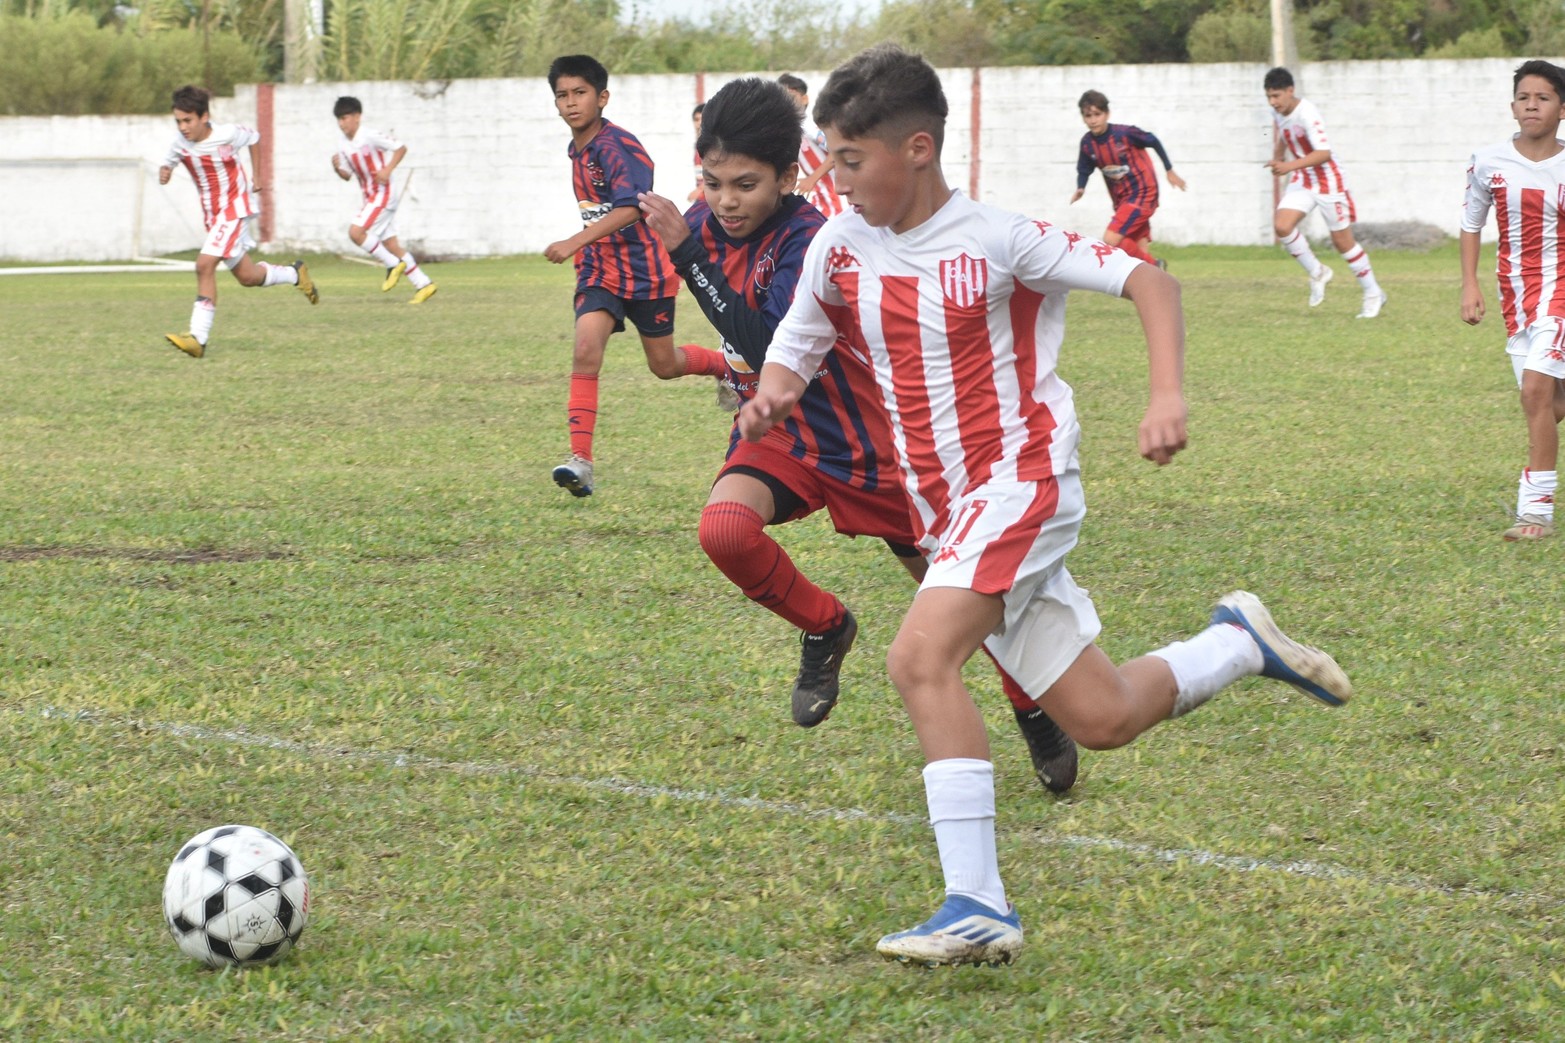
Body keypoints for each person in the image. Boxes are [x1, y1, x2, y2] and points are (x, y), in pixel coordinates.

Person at [742, 43, 1353, 968]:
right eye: (830, 157)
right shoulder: (839, 245)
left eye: (851, 159)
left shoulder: (1000, 239)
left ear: (916, 148)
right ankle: (1238, 642)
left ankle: (976, 903)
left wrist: (1165, 394)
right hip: (948, 515)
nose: (838, 178)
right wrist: (772, 395)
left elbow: (1150, 281)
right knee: (1101, 717)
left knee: (917, 656)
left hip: (1020, 483)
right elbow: (798, 345)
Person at [638, 76, 1080, 793]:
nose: (725, 201)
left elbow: (767, 340)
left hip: (874, 447)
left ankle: (1031, 705)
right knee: (724, 531)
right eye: (713, 183)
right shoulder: (705, 221)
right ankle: (825, 625)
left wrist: (687, 255)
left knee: (963, 602)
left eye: (745, 185)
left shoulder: (811, 240)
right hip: (783, 437)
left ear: (788, 178)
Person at [543, 54, 729, 498]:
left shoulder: (619, 146)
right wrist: (586, 247)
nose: (571, 103)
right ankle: (580, 461)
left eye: (580, 93)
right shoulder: (577, 148)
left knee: (664, 366)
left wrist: (575, 240)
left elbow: (631, 208)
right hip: (599, 269)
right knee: (585, 349)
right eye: (563, 95)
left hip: (646, 269)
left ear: (602, 97)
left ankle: (729, 365)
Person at [1460, 59, 1565, 542]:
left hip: (1561, 292)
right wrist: (1470, 284)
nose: (1532, 105)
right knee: (1545, 403)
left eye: (1543, 97)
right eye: (1524, 97)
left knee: (1534, 394)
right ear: (1512, 106)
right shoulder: (1488, 162)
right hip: (1516, 297)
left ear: (1562, 109)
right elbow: (1471, 224)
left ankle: (1535, 511)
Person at [158, 85, 317, 358]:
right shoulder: (180, 144)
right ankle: (295, 274)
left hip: (234, 209)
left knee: (204, 265)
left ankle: (198, 338)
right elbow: (168, 163)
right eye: (178, 121)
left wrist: (257, 175)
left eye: (188, 120)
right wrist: (165, 172)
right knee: (248, 276)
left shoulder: (227, 134)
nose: (183, 127)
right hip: (214, 217)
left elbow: (254, 138)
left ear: (204, 116)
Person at [1264, 67, 1387, 318]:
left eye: (1276, 96)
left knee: (1342, 242)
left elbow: (1323, 153)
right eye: (1269, 97)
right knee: (1282, 226)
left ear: (1290, 91)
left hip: (1329, 181)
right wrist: (1278, 157)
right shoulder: (1278, 111)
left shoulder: (1307, 113)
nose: (1272, 102)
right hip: (1304, 177)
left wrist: (1288, 166)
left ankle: (1373, 292)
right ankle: (1318, 272)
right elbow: (1284, 134)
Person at [330, 96, 438, 304]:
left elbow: (400, 147)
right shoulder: (342, 144)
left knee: (356, 232)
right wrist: (337, 169)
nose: (342, 124)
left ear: (357, 117)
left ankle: (392, 264)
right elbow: (347, 175)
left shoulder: (369, 135)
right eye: (339, 119)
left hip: (384, 193)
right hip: (370, 197)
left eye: (345, 118)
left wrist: (388, 169)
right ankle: (424, 284)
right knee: (391, 244)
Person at [1070, 89, 1187, 268]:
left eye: (1097, 114)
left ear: (1107, 114)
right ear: (1083, 118)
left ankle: (1155, 265)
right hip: (1122, 200)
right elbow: (1084, 169)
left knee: (1111, 239)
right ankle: (1152, 274)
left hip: (1143, 193)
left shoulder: (1125, 134)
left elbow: (1153, 140)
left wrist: (1168, 169)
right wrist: (1081, 187)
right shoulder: (1087, 143)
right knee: (1137, 253)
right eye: (1088, 116)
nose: (1093, 120)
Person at [778, 74, 843, 218]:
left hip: (834, 196)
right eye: (782, 98)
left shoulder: (809, 126)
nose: (786, 102)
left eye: (791, 96)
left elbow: (837, 151)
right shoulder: (791, 129)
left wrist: (812, 179)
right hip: (821, 195)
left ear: (804, 99)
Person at [687, 102, 705, 203]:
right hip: (701, 198)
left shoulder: (713, 145)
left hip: (710, 198)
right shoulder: (698, 144)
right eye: (696, 119)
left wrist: (699, 190)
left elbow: (720, 172)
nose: (699, 123)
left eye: (702, 119)